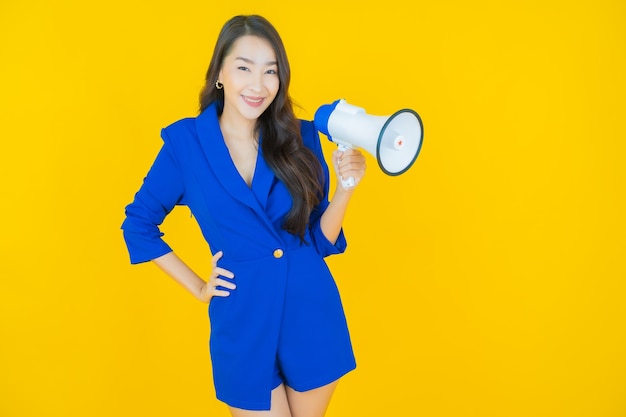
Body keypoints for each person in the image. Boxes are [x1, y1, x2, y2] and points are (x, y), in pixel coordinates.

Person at [121, 14, 366, 417]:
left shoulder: (301, 137)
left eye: (270, 72)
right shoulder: (186, 144)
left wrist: (345, 189)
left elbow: (320, 241)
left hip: (310, 310)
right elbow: (139, 225)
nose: (258, 85)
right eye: (244, 68)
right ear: (219, 72)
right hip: (242, 319)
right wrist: (200, 287)